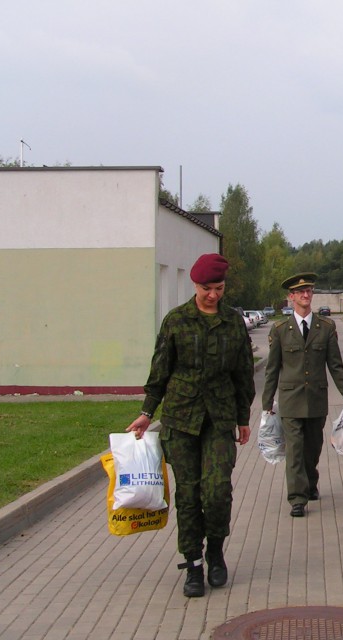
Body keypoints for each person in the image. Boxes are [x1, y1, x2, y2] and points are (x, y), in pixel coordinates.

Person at [126, 253, 255, 598]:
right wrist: (147, 412)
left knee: (215, 492)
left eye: (219, 288)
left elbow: (243, 373)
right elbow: (160, 370)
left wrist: (243, 418)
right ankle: (193, 564)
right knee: (188, 494)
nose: (213, 295)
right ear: (194, 286)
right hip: (181, 419)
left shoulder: (232, 323)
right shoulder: (176, 321)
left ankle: (215, 550)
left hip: (219, 418)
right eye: (206, 288)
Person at [262, 272, 343, 518]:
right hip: (290, 400)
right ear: (291, 297)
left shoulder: (326, 327)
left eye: (309, 291)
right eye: (300, 292)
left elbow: (336, 367)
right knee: (295, 449)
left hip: (317, 399)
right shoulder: (280, 329)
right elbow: (272, 368)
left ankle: (310, 481)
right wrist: (267, 402)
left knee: (313, 447)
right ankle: (297, 498)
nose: (306, 295)